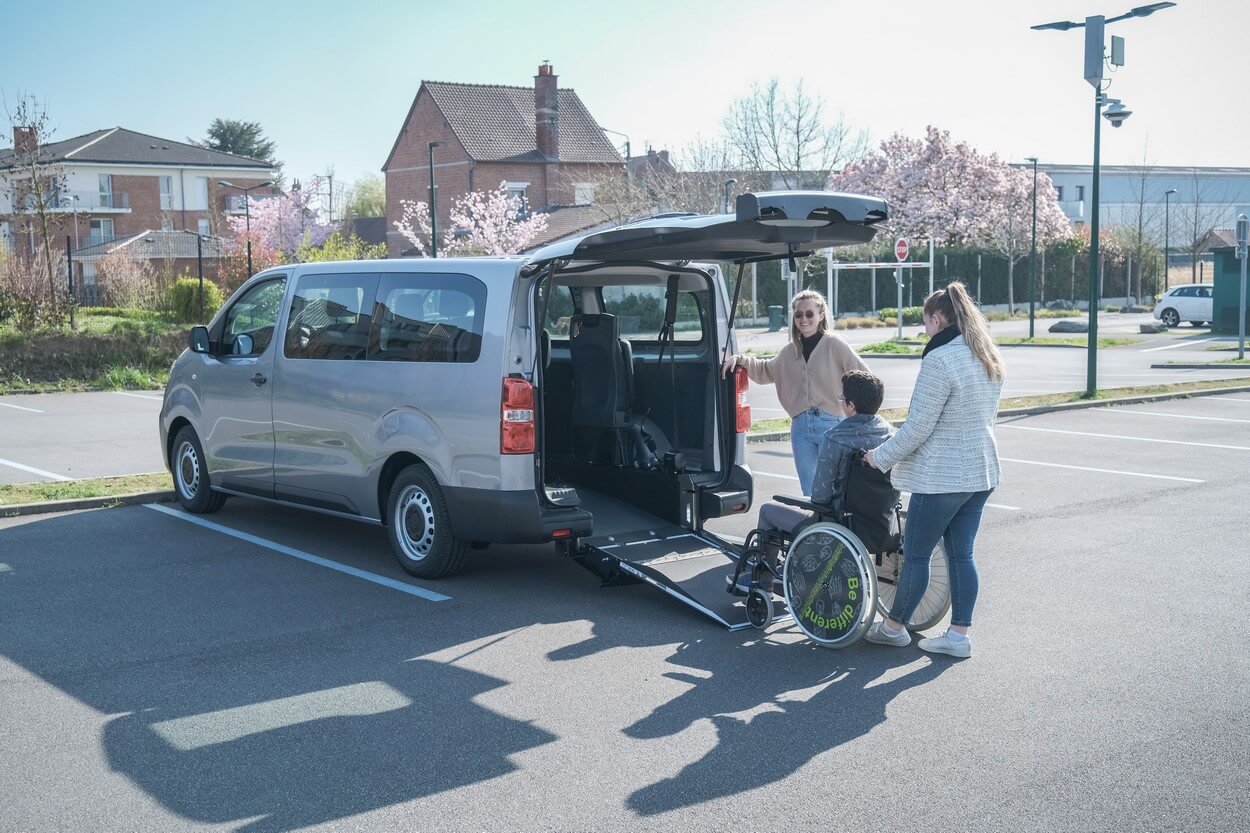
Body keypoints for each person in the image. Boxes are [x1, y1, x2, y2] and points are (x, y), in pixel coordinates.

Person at [862, 281, 1004, 659]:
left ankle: (894, 628)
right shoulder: (985, 354)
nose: (924, 330)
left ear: (938, 319)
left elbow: (918, 427)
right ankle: (958, 636)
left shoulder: (940, 360)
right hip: (981, 471)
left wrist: (880, 457)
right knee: (962, 555)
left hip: (944, 475)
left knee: (917, 554)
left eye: (925, 322)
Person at [730, 370, 894, 594]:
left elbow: (820, 497)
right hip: (880, 524)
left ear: (851, 405)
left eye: (842, 399)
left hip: (837, 525)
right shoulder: (891, 436)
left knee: (768, 511)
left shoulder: (836, 437)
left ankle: (763, 582)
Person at [722, 289, 868, 495]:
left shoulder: (834, 344)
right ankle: (816, 527)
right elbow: (766, 370)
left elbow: (862, 375)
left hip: (831, 424)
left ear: (821, 315)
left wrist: (850, 406)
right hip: (800, 428)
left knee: (837, 488)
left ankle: (836, 527)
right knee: (809, 490)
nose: (804, 319)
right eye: (798, 314)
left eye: (809, 314)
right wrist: (741, 359)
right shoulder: (789, 351)